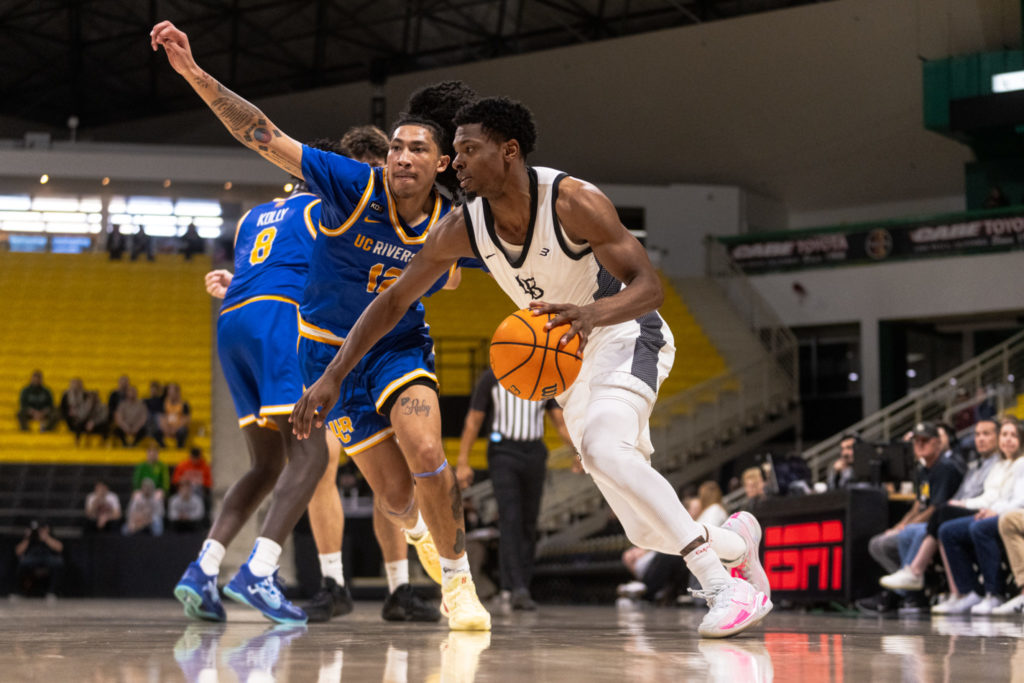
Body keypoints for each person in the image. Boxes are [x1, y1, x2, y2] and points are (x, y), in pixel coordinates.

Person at [289, 95, 773, 638]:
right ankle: (736, 542)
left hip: (624, 332)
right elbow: (393, 301)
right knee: (644, 528)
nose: (460, 164)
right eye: (457, 152)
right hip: (571, 361)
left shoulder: (572, 201)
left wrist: (590, 315)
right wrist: (334, 372)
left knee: (605, 451)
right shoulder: (463, 225)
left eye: (469, 151)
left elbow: (650, 287)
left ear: (509, 152)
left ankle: (723, 586)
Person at [152, 20, 492, 629]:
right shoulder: (349, 187)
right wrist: (195, 75)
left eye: (417, 149)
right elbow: (262, 134)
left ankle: (457, 583)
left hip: (395, 346)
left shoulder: (454, 219)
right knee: (390, 497)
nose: (402, 157)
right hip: (324, 354)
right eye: (395, 147)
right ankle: (415, 530)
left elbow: (494, 259)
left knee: (423, 451)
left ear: (441, 161)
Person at [299, 125, 439, 625]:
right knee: (322, 467)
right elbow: (282, 267)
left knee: (409, 463)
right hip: (324, 354)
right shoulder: (322, 204)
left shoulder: (422, 213)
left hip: (386, 349)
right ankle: (334, 580)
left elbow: (452, 270)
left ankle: (401, 585)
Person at [455, 367, 573, 610]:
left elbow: (559, 421)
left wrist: (577, 452)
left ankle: (519, 585)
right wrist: (463, 462)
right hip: (503, 452)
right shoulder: (491, 377)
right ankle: (516, 587)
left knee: (529, 522)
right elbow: (474, 419)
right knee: (510, 518)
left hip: (534, 453)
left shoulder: (544, 377)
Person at [878, 418, 1000, 603]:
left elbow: (991, 497)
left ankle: (915, 577)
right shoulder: (975, 464)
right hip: (966, 509)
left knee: (941, 515)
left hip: (985, 511)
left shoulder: (954, 466)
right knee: (926, 529)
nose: (980, 439)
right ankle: (955, 593)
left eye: (986, 434)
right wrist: (902, 524)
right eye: (977, 434)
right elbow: (921, 503)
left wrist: (962, 504)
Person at [855, 422, 964, 614]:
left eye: (925, 441)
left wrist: (908, 526)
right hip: (926, 523)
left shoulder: (945, 468)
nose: (920, 445)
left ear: (938, 443)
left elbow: (934, 508)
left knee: (910, 533)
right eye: (916, 441)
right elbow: (918, 504)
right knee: (878, 544)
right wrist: (899, 525)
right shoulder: (923, 470)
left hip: (939, 523)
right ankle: (908, 591)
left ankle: (910, 594)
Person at [936, 417, 1024, 614]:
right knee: (948, 531)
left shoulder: (1021, 463)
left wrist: (993, 510)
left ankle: (994, 592)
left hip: (1010, 513)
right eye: (1004, 435)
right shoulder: (1000, 464)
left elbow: (1018, 500)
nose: (1008, 440)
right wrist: (978, 506)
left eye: (1013, 435)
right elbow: (991, 496)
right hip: (997, 510)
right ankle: (969, 591)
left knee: (979, 528)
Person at [15, 520, 64, 598]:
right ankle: (19, 592)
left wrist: (46, 537)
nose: (39, 532)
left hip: (47, 558)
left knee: (58, 563)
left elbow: (60, 548)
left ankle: (52, 592)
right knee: (22, 563)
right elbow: (18, 551)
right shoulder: (30, 538)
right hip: (33, 558)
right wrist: (28, 537)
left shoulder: (49, 536)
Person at [157, 382, 191, 448]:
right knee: (155, 430)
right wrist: (167, 429)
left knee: (183, 431)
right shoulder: (164, 404)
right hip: (167, 428)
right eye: (169, 393)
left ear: (177, 393)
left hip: (178, 428)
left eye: (172, 393)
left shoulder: (184, 404)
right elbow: (161, 418)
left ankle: (179, 447)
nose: (170, 395)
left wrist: (175, 429)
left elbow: (187, 420)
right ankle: (164, 447)